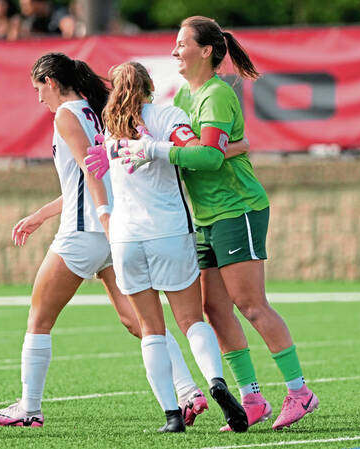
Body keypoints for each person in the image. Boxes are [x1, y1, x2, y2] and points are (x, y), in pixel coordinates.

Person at [104, 16, 320, 431]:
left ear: (206, 51)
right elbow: (206, 146)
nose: (174, 50)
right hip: (203, 215)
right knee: (214, 309)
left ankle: (299, 392)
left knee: (251, 305)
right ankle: (252, 397)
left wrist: (154, 149)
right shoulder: (185, 94)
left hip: (236, 208)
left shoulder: (216, 95)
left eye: (182, 43)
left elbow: (208, 156)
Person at [0, 53, 207, 428]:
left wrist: (102, 220)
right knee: (137, 320)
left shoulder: (66, 114)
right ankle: (188, 391)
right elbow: (86, 178)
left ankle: (30, 408)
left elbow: (91, 170)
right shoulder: (95, 110)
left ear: (51, 83)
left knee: (38, 317)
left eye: (39, 89)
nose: (39, 98)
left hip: (86, 232)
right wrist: (42, 215)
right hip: (112, 230)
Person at [87, 61, 249, 433]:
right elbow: (191, 149)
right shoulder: (167, 113)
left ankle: (172, 415)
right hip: (169, 232)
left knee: (150, 330)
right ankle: (216, 382)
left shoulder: (109, 128)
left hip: (126, 237)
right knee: (191, 319)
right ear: (149, 86)